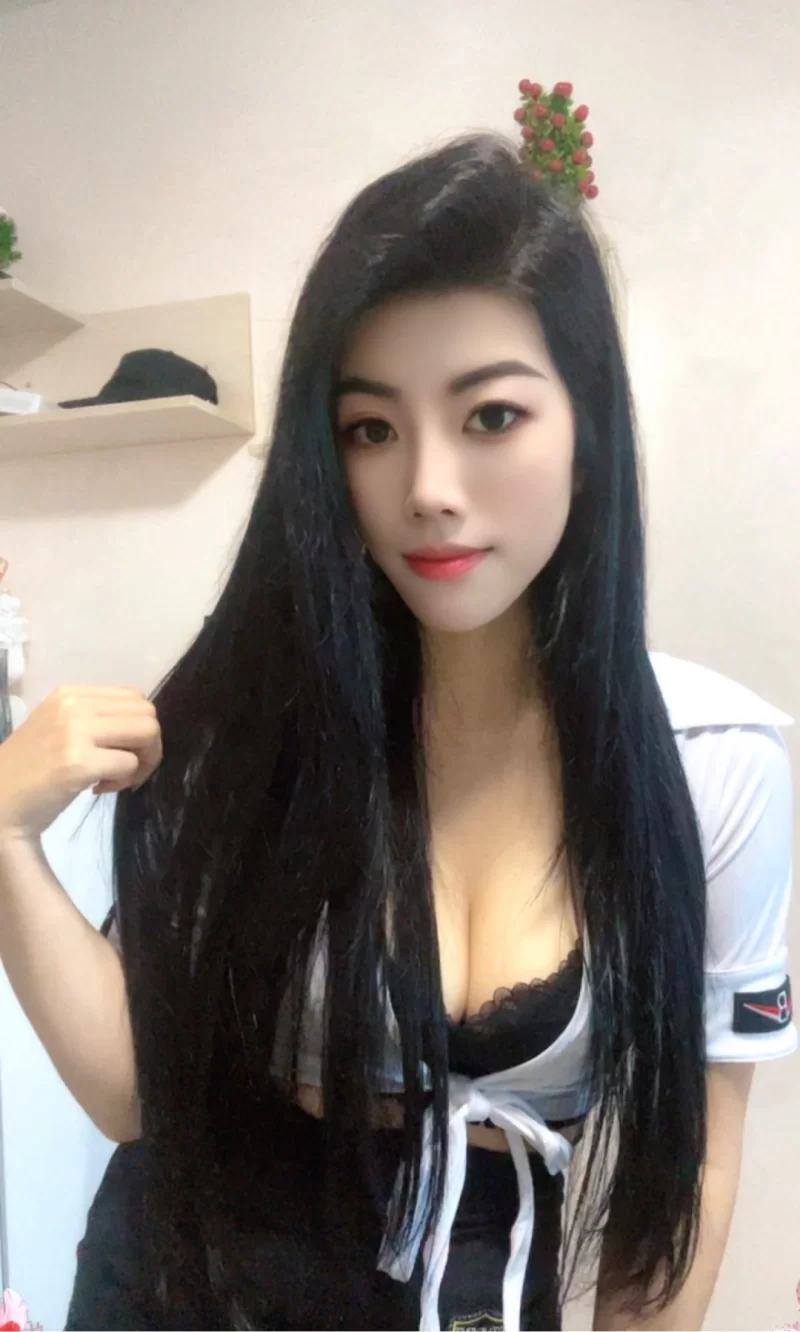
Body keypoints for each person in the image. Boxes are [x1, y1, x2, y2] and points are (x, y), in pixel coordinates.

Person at [0, 133, 795, 1332]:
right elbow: (132, 1098)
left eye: (490, 415)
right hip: (187, 1286)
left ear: (586, 432)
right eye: (370, 429)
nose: (426, 485)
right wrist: (5, 838)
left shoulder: (711, 763)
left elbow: (684, 1170)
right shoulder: (246, 722)